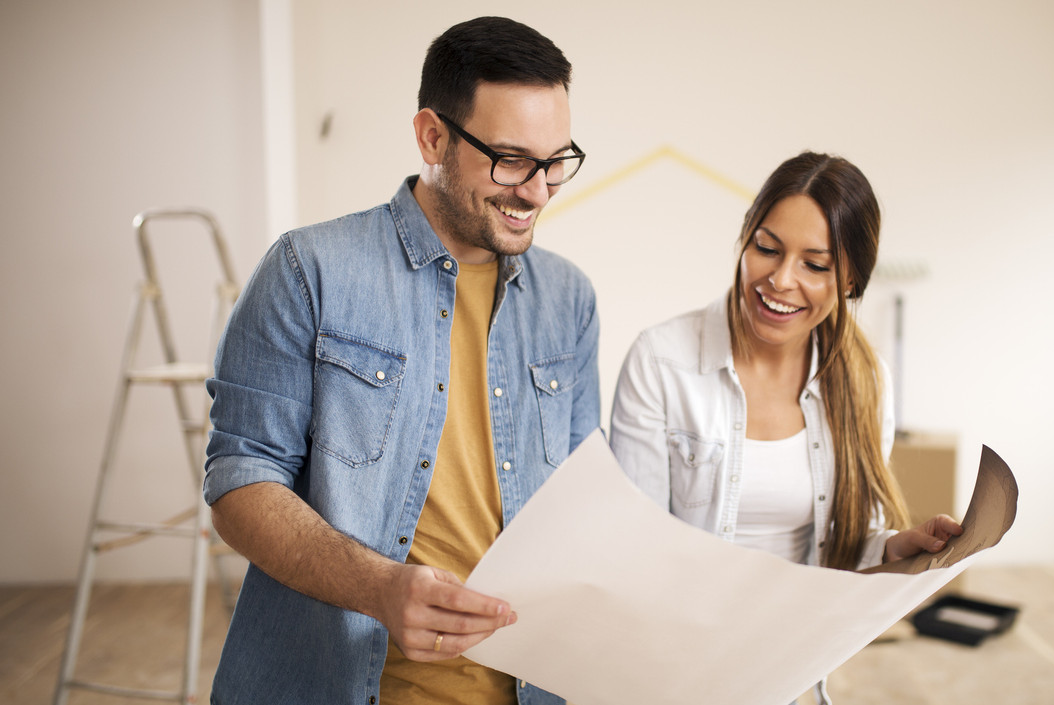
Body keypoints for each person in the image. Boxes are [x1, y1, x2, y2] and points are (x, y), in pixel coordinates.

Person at [203, 17, 596, 705]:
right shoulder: (308, 270)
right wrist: (380, 589)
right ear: (432, 136)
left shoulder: (569, 299)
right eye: (510, 160)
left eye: (555, 161)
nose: (536, 191)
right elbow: (240, 483)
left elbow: (579, 502)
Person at [609, 152, 962, 700]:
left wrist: (893, 550)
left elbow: (845, 544)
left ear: (850, 280)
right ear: (746, 239)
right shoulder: (662, 362)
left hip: (789, 674)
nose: (780, 279)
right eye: (767, 248)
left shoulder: (866, 381)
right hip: (675, 672)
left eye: (815, 265)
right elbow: (638, 552)